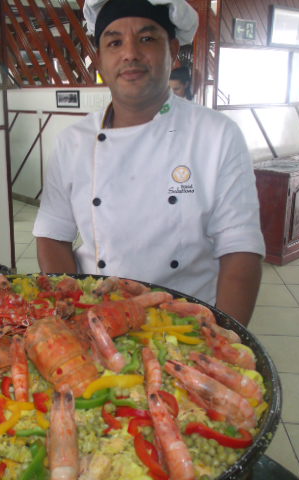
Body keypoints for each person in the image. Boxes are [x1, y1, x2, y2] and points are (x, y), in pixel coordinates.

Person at [32, 0, 264, 326]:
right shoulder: (73, 141)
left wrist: (225, 336)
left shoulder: (217, 135)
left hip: (188, 320)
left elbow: (240, 248)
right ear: (100, 57)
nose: (130, 54)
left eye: (146, 39)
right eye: (114, 42)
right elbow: (53, 234)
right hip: (95, 317)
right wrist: (72, 312)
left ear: (172, 49)